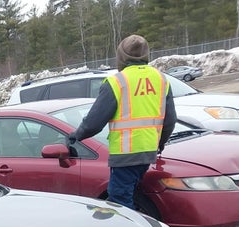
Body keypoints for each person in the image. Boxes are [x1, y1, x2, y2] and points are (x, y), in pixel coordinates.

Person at [68, 34, 176, 210]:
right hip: (148, 152)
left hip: (125, 155)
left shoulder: (117, 81)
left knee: (120, 203)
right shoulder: (161, 79)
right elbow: (170, 120)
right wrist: (159, 144)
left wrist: (75, 136)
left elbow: (94, 123)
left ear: (121, 56)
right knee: (130, 197)